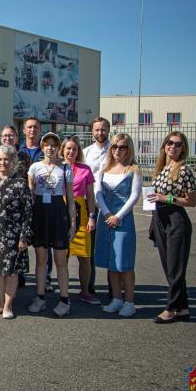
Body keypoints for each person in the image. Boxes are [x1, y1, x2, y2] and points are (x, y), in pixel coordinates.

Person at [147, 131, 196, 323]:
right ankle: (183, 308)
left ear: (183, 148)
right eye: (170, 143)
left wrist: (166, 198)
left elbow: (192, 201)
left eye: (178, 144)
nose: (173, 147)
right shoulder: (162, 168)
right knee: (169, 266)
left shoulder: (184, 170)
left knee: (175, 267)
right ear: (164, 146)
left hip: (176, 220)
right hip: (160, 218)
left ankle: (171, 308)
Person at [27, 132, 76, 317]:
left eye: (54, 145)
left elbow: (70, 199)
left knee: (60, 260)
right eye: (46, 144)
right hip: (40, 214)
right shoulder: (34, 168)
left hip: (58, 214)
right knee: (41, 259)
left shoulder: (65, 169)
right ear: (42, 147)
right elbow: (31, 196)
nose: (50, 148)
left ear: (58, 148)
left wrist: (72, 224)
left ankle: (65, 299)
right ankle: (40, 297)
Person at [0, 145, 33, 319]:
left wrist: (24, 237)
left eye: (6, 159)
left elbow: (28, 212)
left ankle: (8, 306)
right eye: (0, 159)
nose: (3, 162)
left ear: (13, 162)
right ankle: (0, 304)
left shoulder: (20, 183)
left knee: (11, 271)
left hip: (13, 236)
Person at [94, 133, 142, 318]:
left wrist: (118, 216)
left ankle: (129, 302)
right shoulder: (104, 170)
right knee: (111, 263)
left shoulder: (133, 170)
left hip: (123, 221)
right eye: (114, 147)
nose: (117, 150)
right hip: (105, 218)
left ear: (128, 149)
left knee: (125, 264)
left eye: (122, 147)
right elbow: (98, 193)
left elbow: (134, 196)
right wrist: (106, 213)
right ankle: (116, 299)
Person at [61, 136, 99, 305]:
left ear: (78, 152)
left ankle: (85, 291)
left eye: (74, 149)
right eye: (68, 148)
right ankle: (64, 292)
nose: (71, 152)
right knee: (63, 256)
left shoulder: (85, 169)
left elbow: (90, 196)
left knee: (85, 256)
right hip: (61, 212)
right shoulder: (56, 168)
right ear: (62, 150)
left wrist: (91, 216)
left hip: (81, 214)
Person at [83, 116, 111, 297]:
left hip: (111, 204)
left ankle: (114, 288)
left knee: (111, 247)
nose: (100, 133)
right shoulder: (86, 152)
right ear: (92, 132)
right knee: (89, 247)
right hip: (90, 205)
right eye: (96, 130)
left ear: (108, 130)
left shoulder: (115, 150)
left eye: (103, 129)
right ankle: (90, 286)